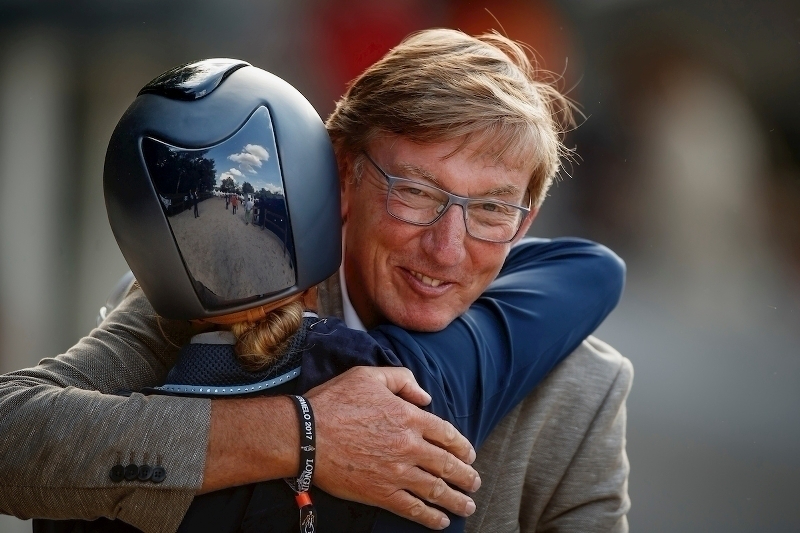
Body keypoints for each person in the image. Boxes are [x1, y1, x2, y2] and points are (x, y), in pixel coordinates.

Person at [0, 30, 631, 533]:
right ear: (340, 173)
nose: (447, 249)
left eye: (491, 209)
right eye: (415, 192)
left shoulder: (582, 389)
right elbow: (11, 436)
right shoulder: (217, 296)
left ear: (527, 220)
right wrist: (300, 433)